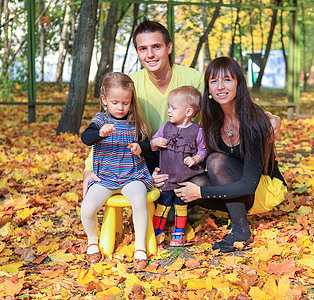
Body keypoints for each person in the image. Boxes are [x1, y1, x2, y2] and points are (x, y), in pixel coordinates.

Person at [83, 20, 282, 196]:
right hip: (150, 159)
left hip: (189, 159)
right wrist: (88, 169)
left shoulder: (193, 79)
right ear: (137, 52)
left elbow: (227, 99)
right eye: (143, 49)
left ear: (169, 47)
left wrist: (269, 117)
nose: (150, 54)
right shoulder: (131, 86)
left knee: (211, 160)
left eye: (156, 47)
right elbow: (108, 127)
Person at [174, 57, 287, 253]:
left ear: (238, 84)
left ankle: (241, 231)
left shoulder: (253, 119)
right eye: (214, 81)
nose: (220, 86)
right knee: (190, 181)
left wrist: (200, 194)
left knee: (216, 162)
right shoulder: (213, 118)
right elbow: (194, 155)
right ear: (208, 88)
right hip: (240, 187)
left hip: (264, 188)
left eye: (227, 79)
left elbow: (248, 183)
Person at [80, 72, 153, 269]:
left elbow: (147, 145)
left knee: (139, 201)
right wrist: (99, 133)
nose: (120, 108)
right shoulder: (100, 120)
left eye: (125, 103)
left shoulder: (135, 121)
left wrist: (140, 147)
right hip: (105, 178)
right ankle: (93, 241)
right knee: (87, 208)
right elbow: (85, 137)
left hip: (132, 176)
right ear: (104, 100)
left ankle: (139, 248)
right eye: (115, 102)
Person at [150, 85, 206, 247]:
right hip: (167, 177)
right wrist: (155, 142)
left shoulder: (197, 131)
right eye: (169, 107)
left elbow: (203, 149)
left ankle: (178, 234)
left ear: (188, 112)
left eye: (173, 108)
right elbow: (153, 144)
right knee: (162, 206)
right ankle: (156, 234)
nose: (169, 111)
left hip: (185, 178)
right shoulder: (165, 128)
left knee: (181, 207)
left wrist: (195, 159)